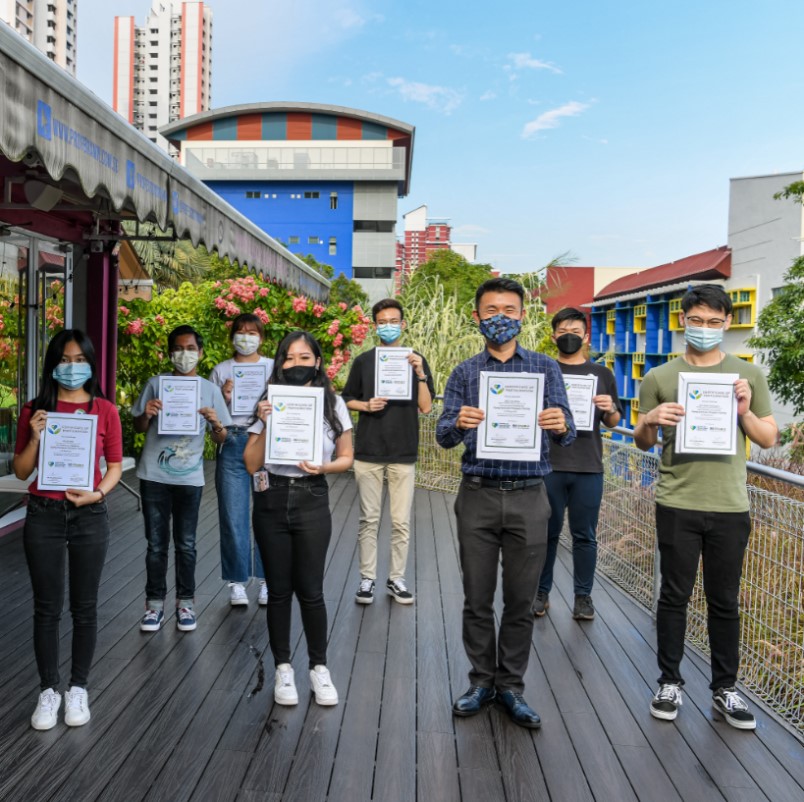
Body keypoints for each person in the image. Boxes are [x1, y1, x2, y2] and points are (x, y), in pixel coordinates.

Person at [634, 284, 777, 730]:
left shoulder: (746, 376)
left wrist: (744, 413)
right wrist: (649, 421)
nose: (705, 329)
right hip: (677, 500)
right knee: (674, 596)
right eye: (696, 320)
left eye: (715, 322)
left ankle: (725, 689)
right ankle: (670, 681)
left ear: (727, 324)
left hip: (731, 505)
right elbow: (644, 441)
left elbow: (768, 437)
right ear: (682, 321)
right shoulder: (659, 377)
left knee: (725, 600)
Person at [436, 277, 575, 729]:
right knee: (477, 598)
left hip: (530, 497)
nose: (500, 317)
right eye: (491, 309)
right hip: (477, 494)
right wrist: (457, 422)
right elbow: (442, 437)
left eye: (509, 310)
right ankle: (481, 681)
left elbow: (569, 430)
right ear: (476, 317)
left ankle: (511, 687)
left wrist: (557, 423)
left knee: (519, 602)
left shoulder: (544, 369)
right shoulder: (464, 373)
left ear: (522, 315)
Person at [14, 330, 123, 730]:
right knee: (46, 608)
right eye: (64, 358)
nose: (72, 367)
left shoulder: (105, 410)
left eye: (80, 359)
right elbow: (22, 471)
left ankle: (78, 688)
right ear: (52, 364)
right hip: (43, 513)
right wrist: (36, 437)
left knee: (84, 607)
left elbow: (113, 466)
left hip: (89, 516)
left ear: (91, 364)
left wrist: (97, 494)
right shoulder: (35, 409)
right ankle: (48, 691)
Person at [244, 331, 354, 707]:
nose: (296, 365)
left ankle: (319, 669)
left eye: (304, 358)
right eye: (289, 359)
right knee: (278, 590)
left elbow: (347, 458)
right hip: (271, 496)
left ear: (318, 362)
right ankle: (283, 669)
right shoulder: (269, 402)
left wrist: (323, 466)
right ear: (280, 363)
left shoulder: (333, 403)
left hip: (311, 495)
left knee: (311, 590)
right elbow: (250, 463)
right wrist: (263, 423)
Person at [132, 325, 231, 633]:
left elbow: (222, 437)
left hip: (190, 479)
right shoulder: (156, 384)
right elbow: (137, 427)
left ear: (200, 353)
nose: (184, 354)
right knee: (156, 545)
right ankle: (154, 606)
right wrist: (146, 413)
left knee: (186, 544)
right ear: (169, 353)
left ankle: (185, 603)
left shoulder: (210, 390)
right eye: (178, 348)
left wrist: (215, 422)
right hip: (154, 476)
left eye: (190, 349)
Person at [341, 298, 434, 605]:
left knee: (401, 521)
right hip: (368, 450)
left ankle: (397, 578)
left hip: (403, 451)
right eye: (383, 321)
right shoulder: (364, 361)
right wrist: (365, 405)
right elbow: (347, 398)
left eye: (394, 320)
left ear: (403, 324)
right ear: (374, 325)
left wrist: (419, 373)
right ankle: (367, 578)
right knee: (368, 519)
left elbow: (426, 406)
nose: (389, 326)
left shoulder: (416, 360)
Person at [532, 308, 621, 621]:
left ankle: (583, 597)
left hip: (588, 466)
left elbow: (613, 421)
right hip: (548, 466)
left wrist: (610, 408)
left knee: (585, 535)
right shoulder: (543, 370)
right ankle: (541, 593)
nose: (569, 335)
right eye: (563, 329)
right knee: (547, 532)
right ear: (554, 335)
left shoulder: (602, 375)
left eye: (575, 329)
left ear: (586, 336)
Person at [209, 313, 274, 607]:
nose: (246, 337)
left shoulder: (272, 368)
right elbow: (212, 423)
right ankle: (236, 582)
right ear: (232, 336)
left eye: (252, 331)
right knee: (233, 516)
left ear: (261, 336)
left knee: (266, 513)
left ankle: (266, 579)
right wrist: (223, 398)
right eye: (240, 331)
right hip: (233, 441)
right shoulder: (221, 370)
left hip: (263, 443)